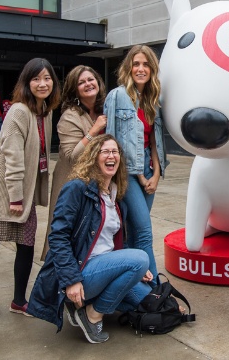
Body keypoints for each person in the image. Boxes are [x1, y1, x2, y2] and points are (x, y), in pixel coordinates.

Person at [27, 134, 152, 344]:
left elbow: (114, 242)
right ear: (94, 157)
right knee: (140, 258)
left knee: (142, 301)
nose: (111, 156)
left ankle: (85, 306)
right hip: (81, 272)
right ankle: (92, 314)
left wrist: (131, 267)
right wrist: (71, 280)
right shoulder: (77, 188)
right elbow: (58, 237)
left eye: (115, 152)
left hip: (103, 268)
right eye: (105, 151)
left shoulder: (115, 195)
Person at [0, 58, 60, 319]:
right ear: (26, 83)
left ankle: (19, 300)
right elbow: (13, 157)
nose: (42, 84)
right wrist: (16, 198)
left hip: (22, 189)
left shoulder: (45, 110)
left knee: (26, 243)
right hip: (2, 187)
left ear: (53, 82)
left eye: (47, 78)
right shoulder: (19, 111)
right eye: (36, 79)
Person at [103, 44, 167, 286]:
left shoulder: (153, 99)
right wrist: (139, 175)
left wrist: (157, 173)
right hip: (128, 175)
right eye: (136, 64)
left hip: (150, 171)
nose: (141, 69)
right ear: (128, 68)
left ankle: (131, 289)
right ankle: (155, 291)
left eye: (146, 64)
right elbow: (112, 140)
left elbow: (154, 140)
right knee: (144, 233)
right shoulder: (118, 96)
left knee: (131, 232)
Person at [40, 65, 107, 260]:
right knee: (68, 236)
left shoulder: (105, 109)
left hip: (97, 182)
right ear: (74, 89)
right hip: (72, 183)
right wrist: (94, 130)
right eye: (81, 82)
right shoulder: (70, 116)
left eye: (91, 79)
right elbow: (72, 156)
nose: (88, 84)